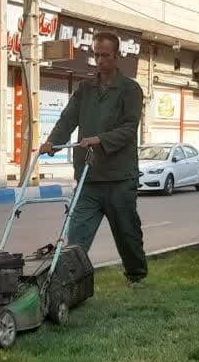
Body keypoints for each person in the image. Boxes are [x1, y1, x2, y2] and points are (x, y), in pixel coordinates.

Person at [39, 32, 148, 287]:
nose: (100, 60)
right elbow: (67, 119)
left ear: (117, 56)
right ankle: (67, 284)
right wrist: (52, 142)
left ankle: (136, 276)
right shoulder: (85, 89)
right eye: (96, 55)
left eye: (105, 55)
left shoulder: (130, 89)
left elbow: (129, 128)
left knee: (127, 233)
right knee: (77, 235)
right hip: (89, 178)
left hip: (120, 179)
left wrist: (100, 139)